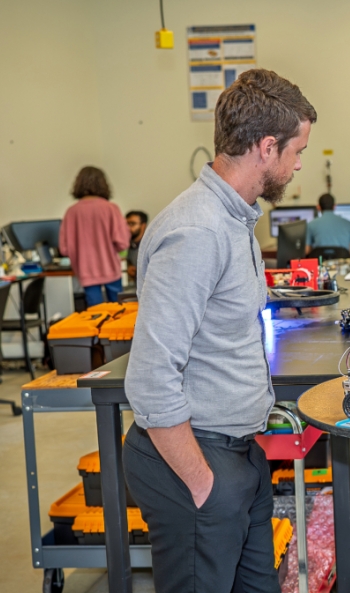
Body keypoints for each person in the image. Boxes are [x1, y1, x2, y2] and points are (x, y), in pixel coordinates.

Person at [123, 68, 316, 593]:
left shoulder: (235, 219)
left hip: (236, 454)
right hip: (193, 461)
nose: (300, 165)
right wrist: (202, 484)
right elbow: (150, 379)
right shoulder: (198, 231)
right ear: (267, 147)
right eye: (297, 151)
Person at [58, 166, 132, 307]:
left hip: (86, 271)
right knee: (119, 313)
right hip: (110, 268)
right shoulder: (110, 208)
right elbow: (122, 242)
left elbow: (64, 249)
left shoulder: (71, 212)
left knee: (95, 316)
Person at [305, 193, 350, 258]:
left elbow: (306, 251)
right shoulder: (348, 224)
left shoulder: (311, 224)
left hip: (321, 265)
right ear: (334, 206)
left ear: (318, 207)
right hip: (342, 265)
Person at [125, 210, 148, 281]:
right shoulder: (125, 245)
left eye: (132, 224)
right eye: (126, 224)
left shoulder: (150, 246)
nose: (128, 228)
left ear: (143, 226)